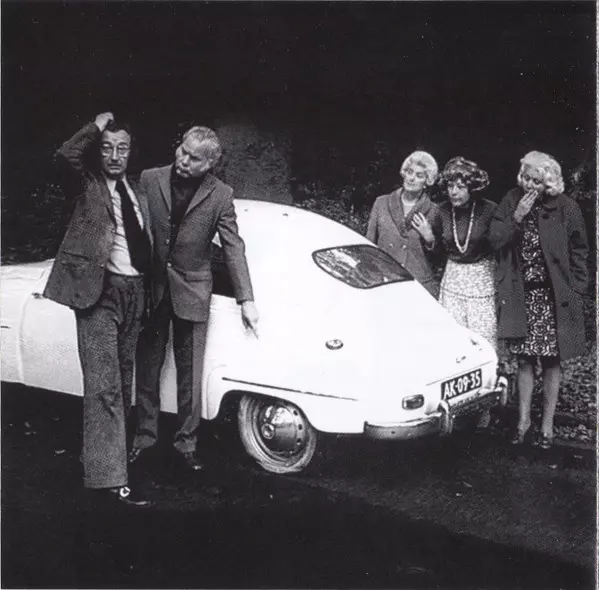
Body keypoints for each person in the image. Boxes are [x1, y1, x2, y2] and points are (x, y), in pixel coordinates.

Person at [128, 126, 259, 471]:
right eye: (182, 151)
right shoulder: (150, 178)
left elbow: (233, 247)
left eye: (194, 158)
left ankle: (186, 443)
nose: (183, 160)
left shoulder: (221, 195)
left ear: (210, 163)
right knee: (148, 367)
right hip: (152, 288)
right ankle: (144, 437)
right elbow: (134, 229)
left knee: (191, 373)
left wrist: (246, 299)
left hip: (193, 290)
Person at [44, 112, 153, 506]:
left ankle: (105, 464)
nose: (115, 156)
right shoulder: (85, 185)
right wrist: (94, 126)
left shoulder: (138, 191)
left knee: (121, 383)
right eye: (107, 148)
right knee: (104, 387)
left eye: (122, 148)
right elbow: (64, 157)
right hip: (98, 294)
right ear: (98, 151)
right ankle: (111, 482)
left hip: (134, 293)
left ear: (131, 152)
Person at [489, 151, 589, 449]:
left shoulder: (567, 207)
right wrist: (517, 216)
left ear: (549, 182)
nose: (530, 186)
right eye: (526, 179)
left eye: (536, 181)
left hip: (554, 297)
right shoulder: (511, 200)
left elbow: (580, 250)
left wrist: (577, 287)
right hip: (523, 294)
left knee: (551, 361)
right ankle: (523, 423)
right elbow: (495, 240)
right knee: (524, 360)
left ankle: (547, 427)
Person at [412, 156, 496, 429]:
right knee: (453, 344)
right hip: (453, 279)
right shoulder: (442, 211)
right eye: (450, 186)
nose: (454, 192)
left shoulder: (489, 210)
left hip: (481, 279)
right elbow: (437, 253)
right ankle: (456, 409)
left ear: (472, 187)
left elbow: (500, 245)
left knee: (483, 342)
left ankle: (485, 408)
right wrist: (428, 236)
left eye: (460, 187)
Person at [366, 150, 440, 297]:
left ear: (427, 182)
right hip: (384, 279)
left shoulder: (434, 211)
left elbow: (439, 257)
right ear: (404, 173)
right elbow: (368, 244)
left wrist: (430, 238)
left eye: (419, 175)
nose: (412, 178)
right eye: (409, 172)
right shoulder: (381, 202)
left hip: (417, 285)